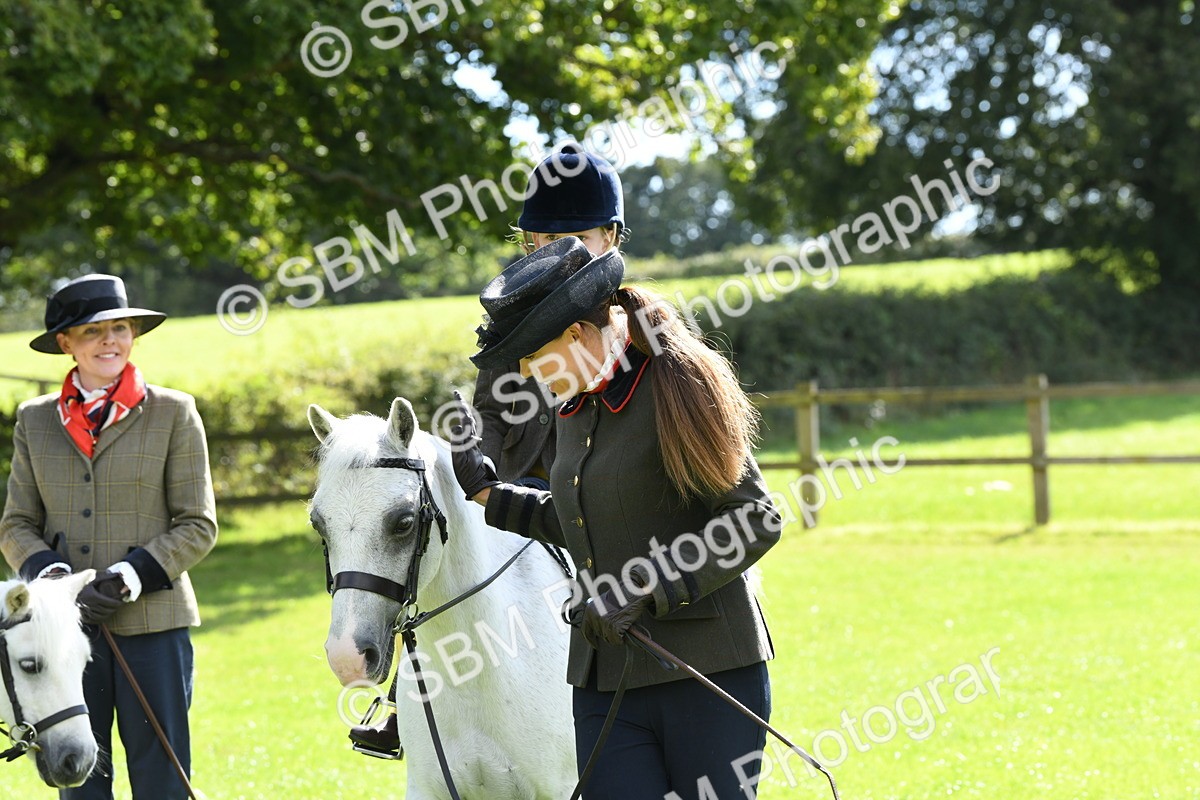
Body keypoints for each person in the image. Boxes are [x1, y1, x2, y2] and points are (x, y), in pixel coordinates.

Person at [451, 237, 782, 799]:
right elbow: (586, 520)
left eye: (532, 354)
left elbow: (754, 518)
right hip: (603, 676)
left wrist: (645, 589)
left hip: (706, 672)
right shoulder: (574, 405)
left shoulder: (680, 380)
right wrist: (486, 492)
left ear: (576, 335)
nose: (526, 372)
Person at [349, 143, 627, 756]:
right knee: (439, 554)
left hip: (598, 497)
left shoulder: (634, 322)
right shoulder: (512, 321)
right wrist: (477, 461)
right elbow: (493, 414)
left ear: (610, 236)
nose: (552, 254)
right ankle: (404, 699)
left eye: (573, 238)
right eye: (537, 241)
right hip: (514, 491)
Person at [0, 274, 218, 800]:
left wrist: (126, 579)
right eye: (92, 331)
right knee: (78, 780)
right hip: (61, 636)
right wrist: (59, 583)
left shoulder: (174, 412)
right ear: (65, 343)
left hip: (155, 626)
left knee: (162, 780)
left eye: (120, 328)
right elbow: (15, 525)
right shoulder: (35, 420)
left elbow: (198, 524)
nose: (110, 341)